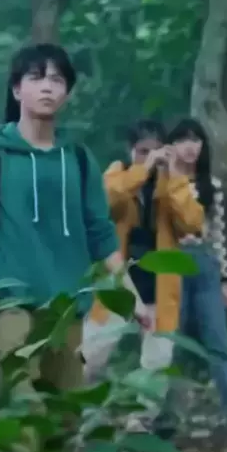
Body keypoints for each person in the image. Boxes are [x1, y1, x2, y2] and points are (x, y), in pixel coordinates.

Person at [0, 44, 148, 412]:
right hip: (9, 300)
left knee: (64, 416)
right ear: (17, 89)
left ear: (67, 93)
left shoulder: (79, 160)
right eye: (36, 77)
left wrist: (133, 297)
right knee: (20, 407)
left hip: (66, 305)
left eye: (57, 79)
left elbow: (101, 236)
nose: (47, 86)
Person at [152, 118, 227, 448]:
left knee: (220, 344)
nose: (191, 147)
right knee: (173, 344)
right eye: (183, 140)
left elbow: (218, 236)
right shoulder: (160, 180)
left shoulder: (210, 185)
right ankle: (166, 419)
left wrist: (225, 280)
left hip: (205, 265)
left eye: (196, 140)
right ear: (172, 144)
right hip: (171, 264)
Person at [83, 119, 205, 430]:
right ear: (130, 150)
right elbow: (104, 201)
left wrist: (173, 176)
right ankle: (78, 414)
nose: (149, 156)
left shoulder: (173, 182)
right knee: (91, 354)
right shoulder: (118, 173)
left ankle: (140, 422)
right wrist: (142, 170)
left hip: (159, 286)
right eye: (142, 151)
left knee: (157, 359)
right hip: (118, 284)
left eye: (155, 150)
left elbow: (193, 223)